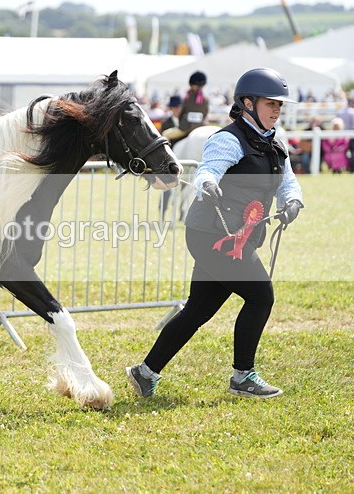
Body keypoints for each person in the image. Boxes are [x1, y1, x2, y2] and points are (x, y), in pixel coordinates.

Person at [127, 67, 304, 399]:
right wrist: (208, 184)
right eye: (271, 103)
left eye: (279, 104)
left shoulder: (274, 142)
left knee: (198, 309)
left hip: (236, 235)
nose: (277, 110)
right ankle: (242, 377)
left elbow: (287, 181)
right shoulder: (229, 139)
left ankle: (145, 372)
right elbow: (208, 170)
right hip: (214, 234)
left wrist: (293, 201)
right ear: (248, 103)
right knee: (261, 296)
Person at [163, 71, 209, 143]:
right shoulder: (206, 99)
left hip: (186, 127)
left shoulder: (187, 97)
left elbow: (182, 112)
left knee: (165, 134)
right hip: (202, 125)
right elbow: (205, 113)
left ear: (191, 84)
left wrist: (181, 122)